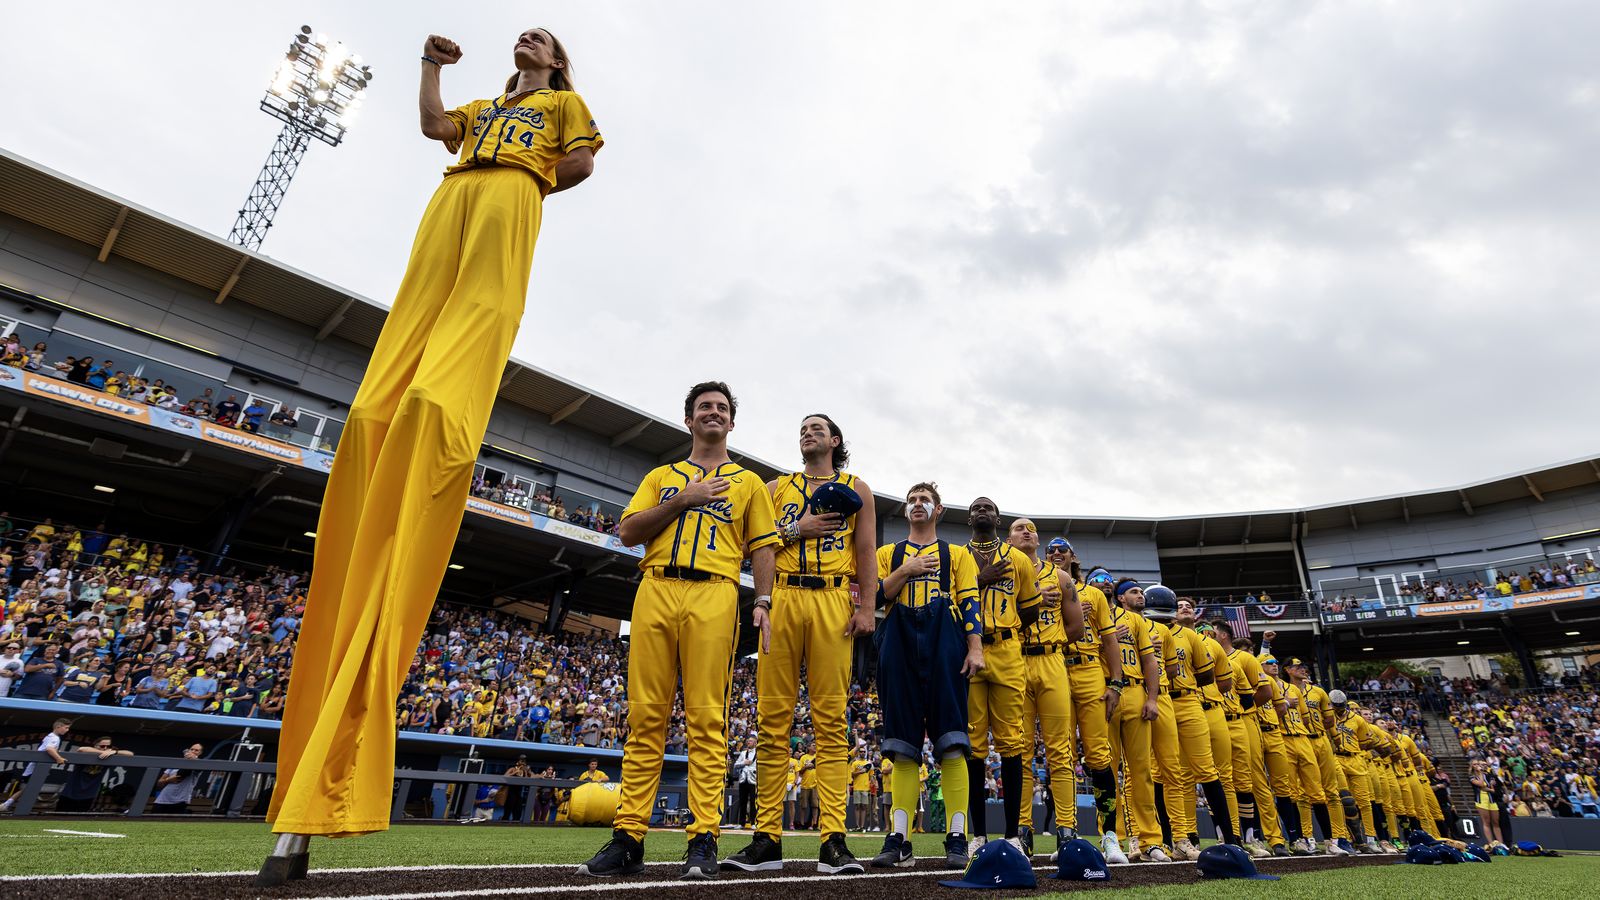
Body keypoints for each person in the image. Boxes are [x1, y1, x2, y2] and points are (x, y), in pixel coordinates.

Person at [261, 26, 602, 886]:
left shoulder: (562, 105)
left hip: (510, 196)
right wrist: (430, 70)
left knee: (464, 337)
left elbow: (585, 165)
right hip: (455, 195)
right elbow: (430, 127)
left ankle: (439, 392)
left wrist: (528, 185)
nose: (527, 38)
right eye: (523, 33)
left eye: (544, 37)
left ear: (558, 60)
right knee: (391, 379)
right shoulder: (487, 107)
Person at [579, 382, 779, 881]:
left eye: (722, 408)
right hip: (656, 586)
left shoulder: (750, 483)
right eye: (704, 407)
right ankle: (629, 837)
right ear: (689, 420)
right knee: (645, 716)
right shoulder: (661, 476)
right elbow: (628, 531)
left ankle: (703, 839)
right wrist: (683, 499)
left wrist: (764, 601)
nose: (713, 413)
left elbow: (764, 548)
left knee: (706, 717)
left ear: (732, 423)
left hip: (715, 591)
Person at [723, 414, 876, 877]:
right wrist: (795, 533)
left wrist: (866, 606)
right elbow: (758, 546)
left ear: (834, 440)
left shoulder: (857, 488)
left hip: (833, 596)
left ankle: (833, 840)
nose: (808, 432)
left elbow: (866, 550)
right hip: (784, 595)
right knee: (772, 719)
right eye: (803, 428)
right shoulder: (773, 489)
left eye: (818, 428)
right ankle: (766, 839)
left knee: (831, 719)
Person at [867, 481, 984, 871]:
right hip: (897, 641)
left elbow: (970, 601)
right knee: (901, 744)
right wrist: (908, 569)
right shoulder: (888, 553)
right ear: (905, 511)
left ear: (938, 510)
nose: (918, 504)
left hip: (944, 641)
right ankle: (899, 839)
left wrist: (975, 647)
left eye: (925, 500)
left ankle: (957, 836)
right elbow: (873, 597)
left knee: (952, 741)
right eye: (912, 500)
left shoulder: (957, 556)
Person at [960, 497, 1042, 854]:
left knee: (1012, 742)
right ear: (969, 519)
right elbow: (950, 599)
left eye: (988, 507)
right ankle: (978, 833)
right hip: (969, 650)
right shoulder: (957, 557)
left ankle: (1012, 834)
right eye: (976, 507)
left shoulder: (1020, 560)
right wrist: (980, 579)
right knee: (974, 744)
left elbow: (1030, 609)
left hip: (1008, 649)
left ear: (997, 518)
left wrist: (1002, 629)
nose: (982, 511)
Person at [1005, 520, 1084, 859]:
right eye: (1019, 528)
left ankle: (1067, 830)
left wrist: (1048, 643)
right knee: (1018, 751)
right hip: (1013, 659)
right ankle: (1023, 832)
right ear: (1008, 538)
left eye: (1031, 528)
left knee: (1060, 750)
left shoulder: (1062, 578)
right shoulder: (1002, 572)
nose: (1027, 532)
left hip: (1051, 662)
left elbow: (1076, 627)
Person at [1144, 587, 1236, 858]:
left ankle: (1230, 838)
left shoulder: (1190, 636)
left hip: (1186, 700)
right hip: (1158, 698)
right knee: (1164, 772)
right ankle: (1172, 838)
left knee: (1206, 770)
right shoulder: (1141, 628)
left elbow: (1208, 676)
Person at [1105, 578, 1165, 862]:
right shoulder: (1087, 615)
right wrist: (1107, 638)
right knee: (1106, 772)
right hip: (1104, 692)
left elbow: (1150, 660)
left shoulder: (1134, 620)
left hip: (1136, 690)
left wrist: (1152, 698)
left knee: (1141, 770)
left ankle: (1150, 840)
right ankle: (1112, 839)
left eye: (1107, 580)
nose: (1103, 585)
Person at [0, 719, 71, 813]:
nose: (67, 730)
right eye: (66, 728)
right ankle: (10, 807)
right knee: (28, 789)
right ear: (58, 727)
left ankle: (7, 805)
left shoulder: (51, 736)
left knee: (27, 789)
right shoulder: (54, 737)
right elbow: (49, 749)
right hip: (35, 768)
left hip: (37, 767)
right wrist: (58, 758)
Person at [55, 736, 133, 812]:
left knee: (78, 820)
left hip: (88, 795)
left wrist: (114, 752)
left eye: (108, 746)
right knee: (59, 817)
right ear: (96, 746)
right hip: (70, 793)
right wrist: (103, 752)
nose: (105, 748)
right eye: (102, 746)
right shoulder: (87, 755)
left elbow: (130, 754)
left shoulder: (109, 758)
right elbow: (81, 749)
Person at [153, 743, 204, 814]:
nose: (193, 751)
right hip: (162, 800)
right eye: (191, 749)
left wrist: (194, 759)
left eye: (196, 750)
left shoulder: (199, 765)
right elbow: (159, 783)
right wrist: (168, 780)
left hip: (180, 801)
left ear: (200, 753)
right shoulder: (175, 763)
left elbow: (198, 768)